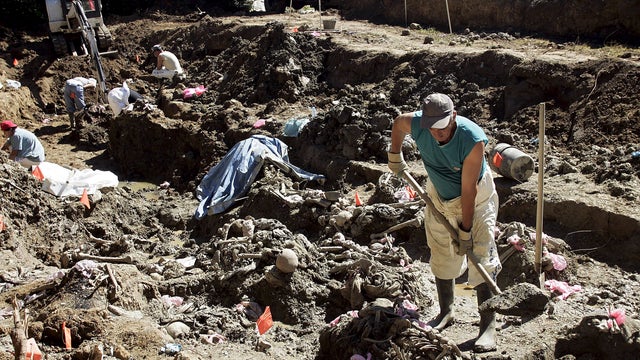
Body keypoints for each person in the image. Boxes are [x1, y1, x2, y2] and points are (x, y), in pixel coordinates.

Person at [387, 93, 501, 353]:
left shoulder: (471, 139)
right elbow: (397, 123)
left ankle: (488, 327)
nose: (437, 133)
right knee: (440, 249)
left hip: (476, 198)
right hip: (439, 194)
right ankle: (446, 311)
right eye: (432, 128)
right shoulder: (418, 124)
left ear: (454, 116)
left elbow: (469, 190)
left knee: (481, 256)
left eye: (442, 127)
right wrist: (395, 154)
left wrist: (466, 229)